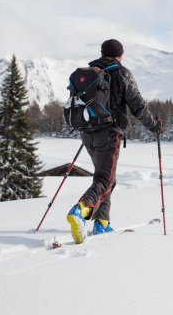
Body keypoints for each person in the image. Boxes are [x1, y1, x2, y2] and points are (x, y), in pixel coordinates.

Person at [67, 39, 163, 244]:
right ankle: (80, 210)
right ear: (120, 55)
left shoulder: (89, 72)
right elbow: (138, 106)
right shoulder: (122, 73)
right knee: (104, 180)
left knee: (106, 177)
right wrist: (155, 126)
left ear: (102, 53)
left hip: (87, 132)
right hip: (109, 134)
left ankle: (101, 222)